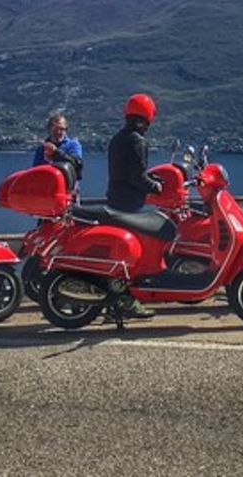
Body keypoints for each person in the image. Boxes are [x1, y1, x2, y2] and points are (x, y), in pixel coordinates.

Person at [105, 94, 162, 319]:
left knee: (120, 255)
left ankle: (113, 303)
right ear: (147, 116)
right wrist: (156, 186)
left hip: (115, 199)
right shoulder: (137, 141)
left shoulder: (118, 138)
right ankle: (128, 302)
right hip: (130, 205)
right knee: (133, 255)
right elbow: (137, 177)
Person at [33, 111, 83, 181]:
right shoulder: (41, 149)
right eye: (55, 129)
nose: (59, 132)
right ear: (49, 129)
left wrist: (55, 152)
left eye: (62, 129)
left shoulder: (73, 145)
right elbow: (35, 172)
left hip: (66, 189)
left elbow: (76, 163)